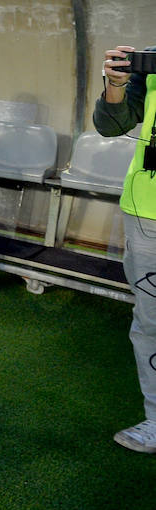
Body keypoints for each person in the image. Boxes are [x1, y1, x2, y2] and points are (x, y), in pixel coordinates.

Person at [96, 43, 156, 453]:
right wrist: (116, 83)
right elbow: (111, 124)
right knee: (150, 322)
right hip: (147, 213)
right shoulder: (151, 65)